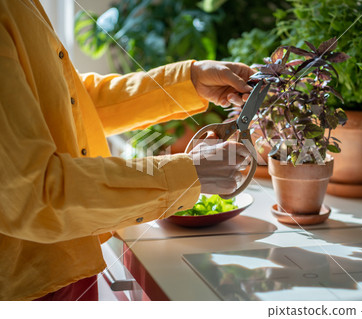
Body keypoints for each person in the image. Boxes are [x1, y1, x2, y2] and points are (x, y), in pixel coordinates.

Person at [0, 0, 254, 300]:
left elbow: (66, 102)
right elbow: (33, 192)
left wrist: (189, 81)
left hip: (65, 262)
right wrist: (189, 171)